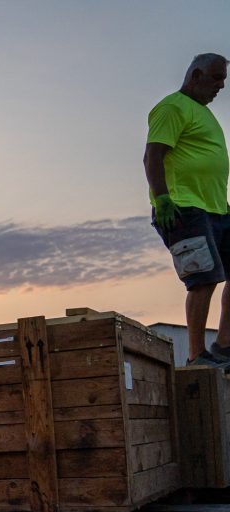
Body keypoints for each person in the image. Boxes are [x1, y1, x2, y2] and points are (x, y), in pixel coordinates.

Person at [145, 54, 230, 367]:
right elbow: (153, 156)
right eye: (217, 78)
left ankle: (223, 345)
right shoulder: (172, 107)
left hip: (216, 209)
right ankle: (197, 355)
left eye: (224, 79)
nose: (221, 85)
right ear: (196, 75)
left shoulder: (203, 113)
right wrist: (163, 199)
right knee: (203, 278)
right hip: (183, 207)